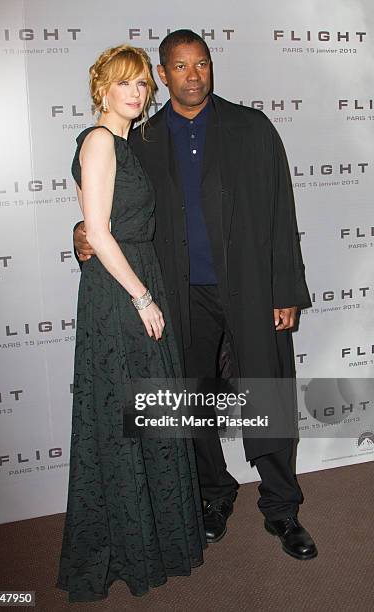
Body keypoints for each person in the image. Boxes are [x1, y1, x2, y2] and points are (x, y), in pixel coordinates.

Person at [74, 30, 318, 561]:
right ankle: (213, 493)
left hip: (252, 288)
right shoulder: (141, 140)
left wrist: (286, 289)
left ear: (210, 67)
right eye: (180, 67)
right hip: (178, 291)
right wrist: (82, 229)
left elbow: (282, 215)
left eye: (201, 64)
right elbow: (115, 209)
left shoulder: (252, 128)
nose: (193, 75)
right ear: (164, 75)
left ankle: (282, 508)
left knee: (266, 395)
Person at [56, 44, 207, 603]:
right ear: (102, 87)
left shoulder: (125, 143)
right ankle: (131, 544)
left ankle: (154, 539)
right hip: (122, 293)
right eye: (126, 83)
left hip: (135, 279)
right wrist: (143, 298)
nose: (139, 94)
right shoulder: (98, 141)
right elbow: (96, 231)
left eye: (144, 84)